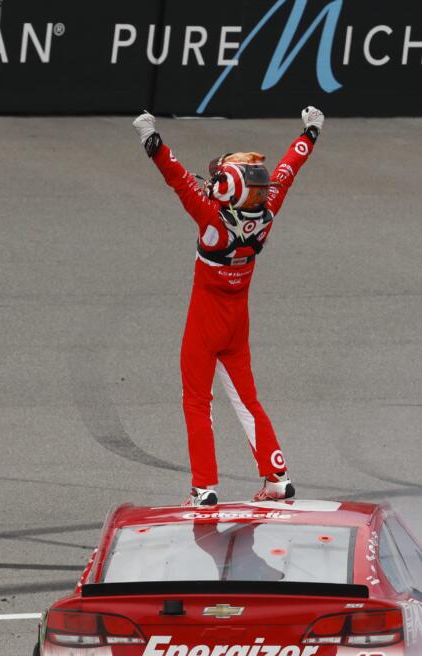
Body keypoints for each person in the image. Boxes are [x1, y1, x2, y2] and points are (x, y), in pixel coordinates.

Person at [132, 106, 324, 507]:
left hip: (205, 322)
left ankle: (204, 487)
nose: (212, 181)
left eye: (219, 177)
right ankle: (277, 475)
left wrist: (152, 141)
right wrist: (309, 133)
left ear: (228, 190)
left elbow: (178, 179)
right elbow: (289, 168)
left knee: (197, 401)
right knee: (247, 399)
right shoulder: (268, 211)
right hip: (238, 322)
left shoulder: (212, 221)